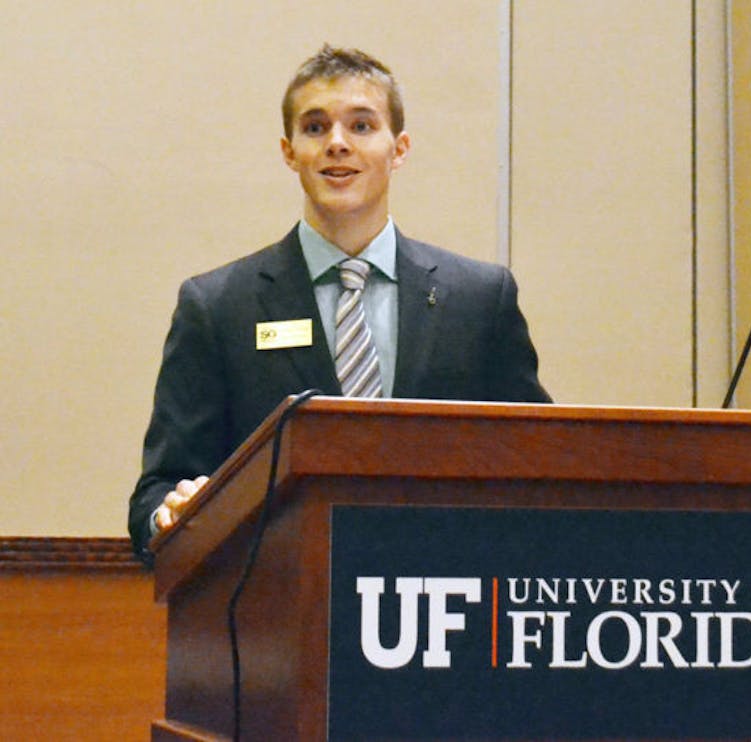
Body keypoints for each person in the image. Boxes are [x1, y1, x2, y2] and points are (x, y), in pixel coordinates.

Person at [128, 46, 550, 563]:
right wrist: (170, 515)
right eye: (314, 127)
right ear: (289, 152)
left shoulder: (480, 301)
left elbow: (539, 466)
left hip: (447, 605)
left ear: (400, 149)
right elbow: (158, 492)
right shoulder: (218, 307)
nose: (337, 144)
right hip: (278, 614)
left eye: (361, 126)